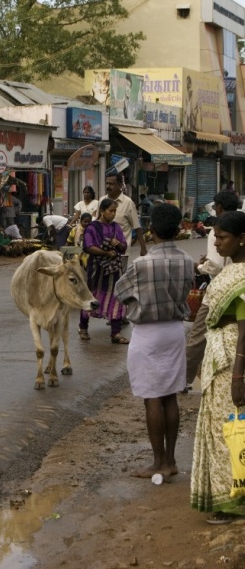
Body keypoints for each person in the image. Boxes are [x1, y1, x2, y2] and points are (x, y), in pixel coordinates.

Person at [115, 204, 194, 478]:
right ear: (178, 229)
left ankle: (158, 462)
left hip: (148, 333)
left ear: (151, 230)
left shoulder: (141, 264)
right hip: (174, 330)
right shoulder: (186, 260)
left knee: (151, 397)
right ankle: (170, 461)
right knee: (170, 395)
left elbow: (120, 291)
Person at [190, 211, 245, 524]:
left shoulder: (242, 276)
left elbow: (244, 327)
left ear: (242, 239)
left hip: (232, 364)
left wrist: (238, 377)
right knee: (224, 430)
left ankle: (232, 504)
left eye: (222, 237)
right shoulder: (231, 270)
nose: (215, 242)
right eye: (215, 236)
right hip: (219, 359)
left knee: (230, 433)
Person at [186, 190, 239, 385]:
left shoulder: (217, 228)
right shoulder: (239, 223)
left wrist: (200, 266)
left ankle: (184, 379)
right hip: (236, 287)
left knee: (197, 337)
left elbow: (216, 264)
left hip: (219, 290)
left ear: (219, 207)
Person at [78, 198, 128, 343]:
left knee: (117, 297)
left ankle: (116, 333)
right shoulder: (92, 227)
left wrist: (118, 243)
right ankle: (83, 328)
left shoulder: (116, 227)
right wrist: (106, 253)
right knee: (90, 297)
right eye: (111, 211)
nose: (113, 214)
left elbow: (124, 247)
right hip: (97, 269)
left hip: (114, 269)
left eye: (115, 211)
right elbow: (88, 246)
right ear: (102, 211)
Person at [98, 173, 147, 258]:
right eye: (107, 183)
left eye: (111, 184)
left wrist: (143, 247)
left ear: (120, 185)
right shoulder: (102, 200)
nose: (108, 186)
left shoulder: (128, 203)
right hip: (103, 250)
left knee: (120, 272)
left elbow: (136, 226)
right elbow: (97, 222)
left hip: (121, 252)